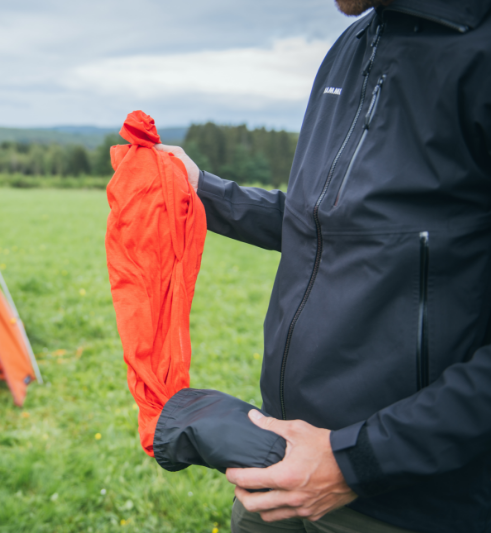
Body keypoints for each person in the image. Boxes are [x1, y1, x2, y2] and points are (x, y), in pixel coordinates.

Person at [156, 0, 491, 532]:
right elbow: (329, 222)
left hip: (405, 500)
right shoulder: (353, 43)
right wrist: (202, 193)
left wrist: (353, 462)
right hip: (280, 460)